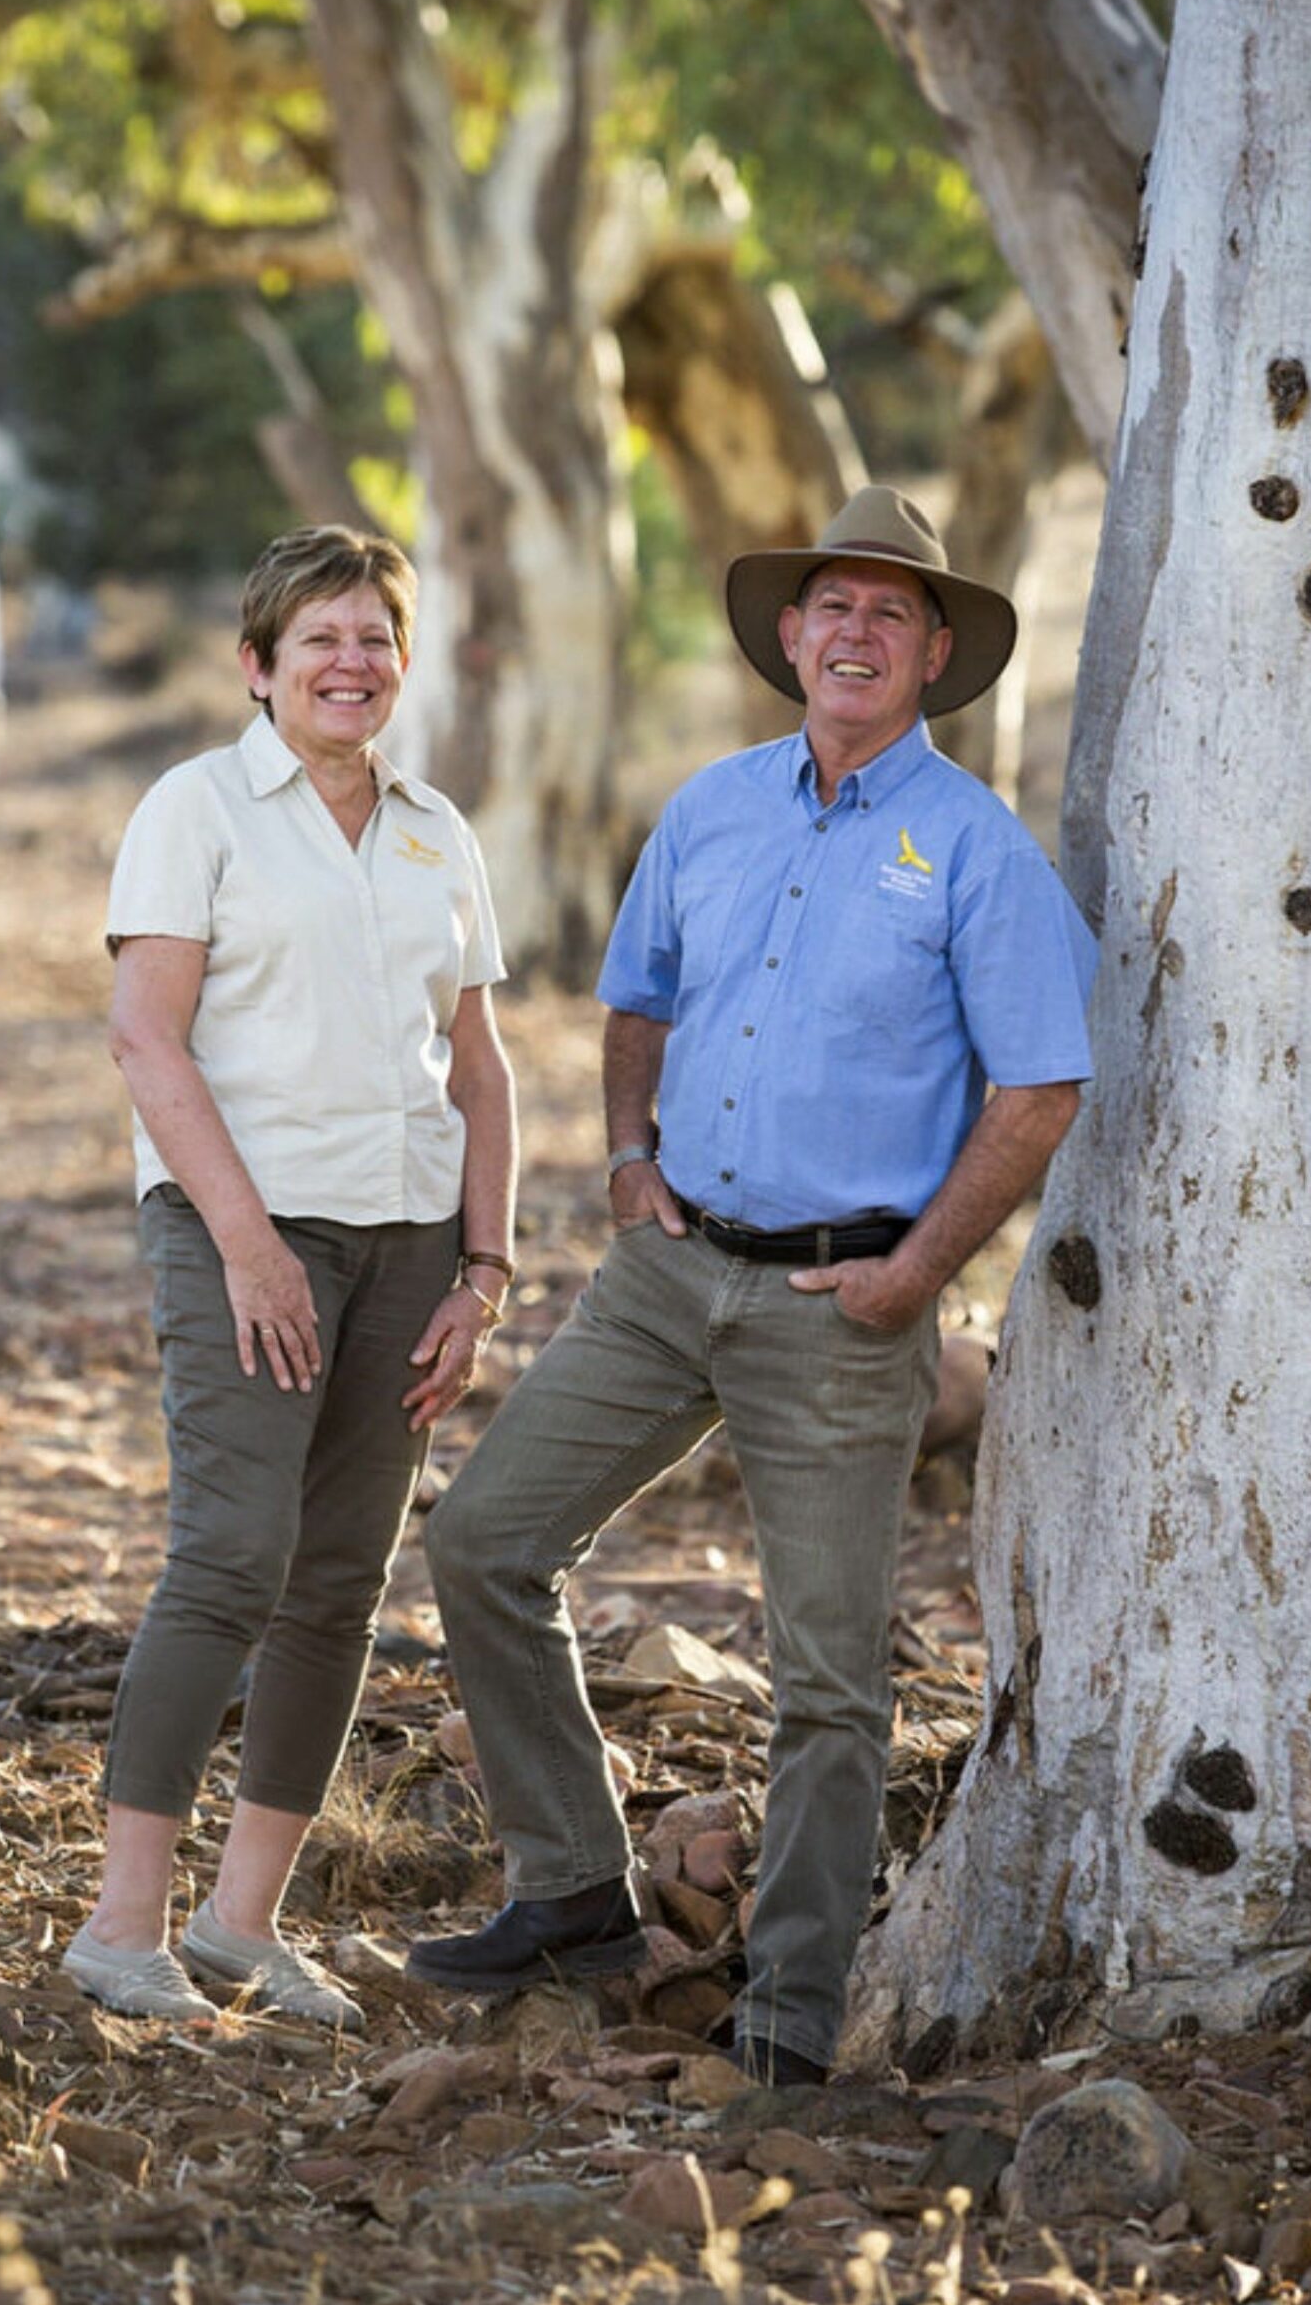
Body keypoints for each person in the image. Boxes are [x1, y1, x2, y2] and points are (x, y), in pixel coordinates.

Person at [408, 485, 1096, 2084]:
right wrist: (628, 1159)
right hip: (663, 1277)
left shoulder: (975, 853)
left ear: (934, 652)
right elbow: (636, 997)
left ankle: (787, 2018)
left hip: (838, 1315)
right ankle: (573, 1891)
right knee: (484, 1543)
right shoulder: (712, 808)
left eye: (887, 613)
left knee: (830, 1684)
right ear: (788, 637)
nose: (852, 632)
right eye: (828, 607)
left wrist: (914, 1275)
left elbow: (1041, 1091)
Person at [63, 524, 516, 2025]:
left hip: (406, 1244)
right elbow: (146, 1038)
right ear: (257, 667)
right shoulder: (193, 811)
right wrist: (248, 1247)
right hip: (239, 1227)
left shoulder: (438, 831)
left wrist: (484, 1268)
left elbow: (479, 1067)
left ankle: (240, 1927)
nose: (351, 663)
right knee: (231, 1555)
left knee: (334, 1590)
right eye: (319, 638)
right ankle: (120, 1928)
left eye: (375, 637)